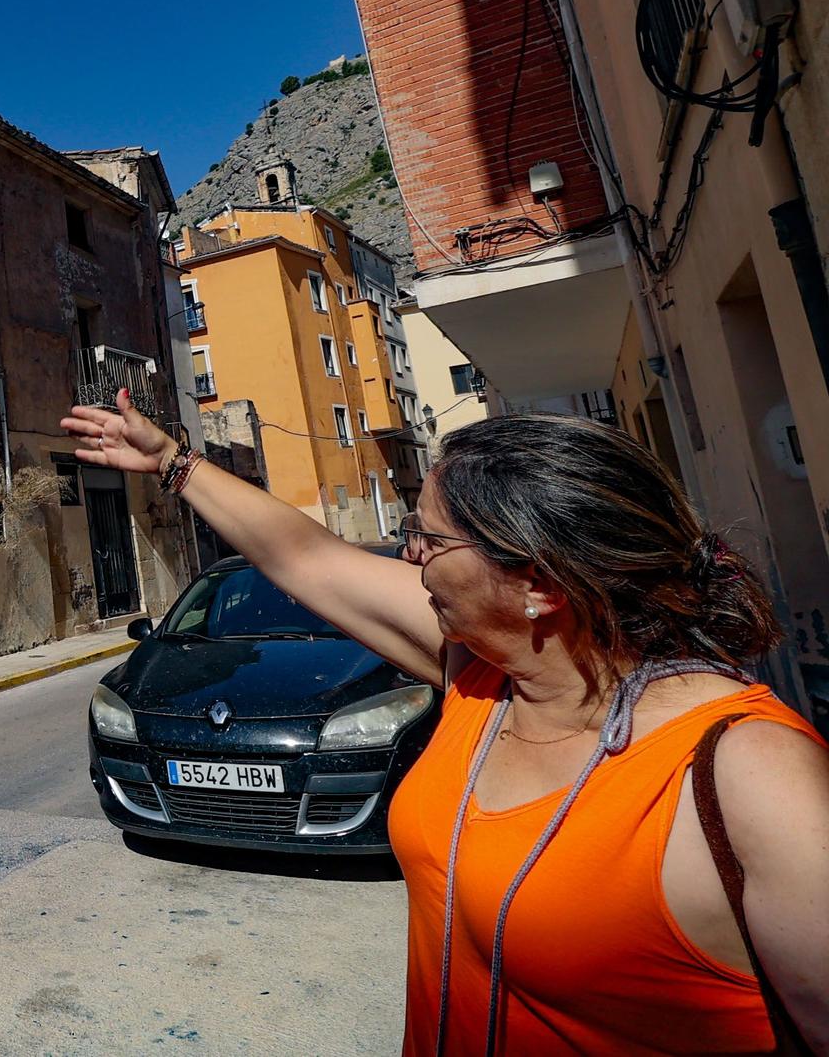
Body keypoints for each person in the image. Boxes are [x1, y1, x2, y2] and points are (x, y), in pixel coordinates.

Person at [63, 392, 829, 1055]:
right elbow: (309, 559)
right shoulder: (481, 677)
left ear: (538, 580)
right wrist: (173, 461)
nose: (409, 552)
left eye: (431, 538)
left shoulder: (749, 774)